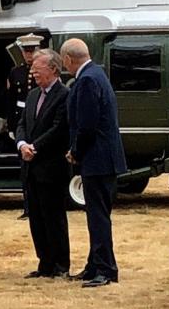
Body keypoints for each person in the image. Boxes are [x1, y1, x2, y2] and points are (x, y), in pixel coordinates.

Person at [61, 38, 126, 288]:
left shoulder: (87, 79)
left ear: (68, 59)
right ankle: (94, 264)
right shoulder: (96, 74)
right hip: (103, 158)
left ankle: (105, 269)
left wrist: (76, 151)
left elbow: (87, 123)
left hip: (97, 158)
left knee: (98, 217)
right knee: (97, 215)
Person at [15, 49, 71, 278]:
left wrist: (34, 147)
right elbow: (21, 123)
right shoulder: (32, 96)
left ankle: (60, 265)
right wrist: (21, 144)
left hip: (51, 167)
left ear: (54, 69)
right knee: (36, 218)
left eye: (38, 69)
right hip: (30, 168)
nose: (33, 72)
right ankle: (44, 263)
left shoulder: (64, 95)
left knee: (53, 218)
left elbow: (58, 129)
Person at [7, 33, 42, 220]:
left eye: (32, 50)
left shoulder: (43, 71)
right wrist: (12, 127)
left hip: (38, 120)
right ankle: (28, 206)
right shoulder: (16, 72)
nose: (29, 55)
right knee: (24, 169)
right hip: (22, 120)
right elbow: (12, 100)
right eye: (26, 51)